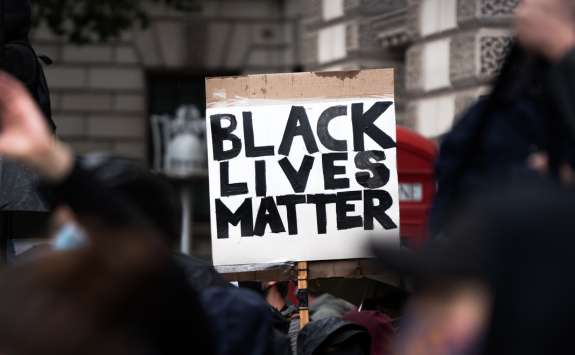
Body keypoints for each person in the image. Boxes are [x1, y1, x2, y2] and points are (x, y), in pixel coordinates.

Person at [0, 71, 216, 355]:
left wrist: (54, 164)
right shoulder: (34, 296)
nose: (62, 235)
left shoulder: (166, 301)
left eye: (76, 222)